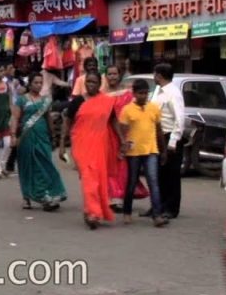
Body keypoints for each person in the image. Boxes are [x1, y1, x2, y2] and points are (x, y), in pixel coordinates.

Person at [62, 71, 124, 230]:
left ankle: (92, 211)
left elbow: (114, 122)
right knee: (89, 177)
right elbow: (67, 122)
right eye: (88, 82)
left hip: (100, 146)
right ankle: (93, 211)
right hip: (81, 145)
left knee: (97, 179)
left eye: (94, 82)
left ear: (99, 84)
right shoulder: (77, 101)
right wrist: (62, 145)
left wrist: (122, 141)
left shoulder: (106, 102)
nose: (91, 85)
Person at [118, 79, 168, 227]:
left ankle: (157, 215)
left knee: (153, 182)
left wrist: (164, 150)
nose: (143, 96)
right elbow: (122, 130)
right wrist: (123, 147)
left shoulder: (153, 108)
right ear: (134, 94)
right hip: (133, 152)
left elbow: (159, 131)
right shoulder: (127, 110)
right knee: (132, 182)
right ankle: (127, 212)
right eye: (140, 93)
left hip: (151, 150)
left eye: (146, 93)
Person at [15, 73, 67, 211]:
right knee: (27, 166)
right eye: (35, 82)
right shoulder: (21, 100)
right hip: (26, 137)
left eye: (40, 83)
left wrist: (53, 136)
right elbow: (15, 119)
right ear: (30, 84)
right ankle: (27, 197)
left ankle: (47, 193)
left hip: (42, 136)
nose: (38, 85)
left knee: (45, 165)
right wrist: (14, 136)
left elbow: (48, 118)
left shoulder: (45, 100)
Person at [104, 65, 144, 211]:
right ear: (106, 76)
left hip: (125, 134)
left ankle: (119, 197)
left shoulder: (127, 95)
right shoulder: (102, 95)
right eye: (110, 74)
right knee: (109, 165)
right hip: (107, 135)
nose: (112, 76)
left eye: (115, 74)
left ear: (119, 75)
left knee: (123, 167)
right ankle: (110, 197)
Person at [151, 63, 185, 219]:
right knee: (160, 174)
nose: (153, 76)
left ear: (159, 75)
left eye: (155, 73)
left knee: (171, 175)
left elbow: (180, 119)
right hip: (157, 137)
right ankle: (158, 206)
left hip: (169, 137)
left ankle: (171, 208)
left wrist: (173, 142)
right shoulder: (159, 91)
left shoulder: (173, 93)